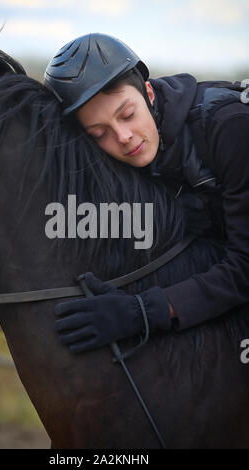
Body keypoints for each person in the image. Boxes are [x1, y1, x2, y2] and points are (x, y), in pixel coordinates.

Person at [44, 33, 249, 354]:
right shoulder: (131, 153)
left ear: (149, 92)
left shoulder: (231, 125)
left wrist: (143, 312)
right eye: (100, 133)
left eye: (127, 115)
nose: (123, 137)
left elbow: (245, 267)